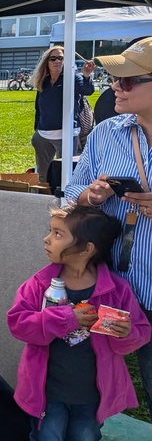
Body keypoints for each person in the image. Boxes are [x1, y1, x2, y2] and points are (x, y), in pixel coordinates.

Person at [8, 204, 149, 441]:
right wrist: (65, 318)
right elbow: (19, 324)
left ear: (86, 248)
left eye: (58, 234)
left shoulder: (115, 290)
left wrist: (126, 331)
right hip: (48, 395)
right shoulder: (39, 285)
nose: (47, 238)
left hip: (92, 397)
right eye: (51, 231)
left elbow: (139, 335)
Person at [65, 37, 152, 415]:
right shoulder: (105, 133)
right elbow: (70, 195)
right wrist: (91, 196)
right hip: (113, 287)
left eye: (128, 80)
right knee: (91, 380)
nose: (115, 86)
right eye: (114, 78)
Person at [30, 46, 95, 185]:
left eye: (61, 58)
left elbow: (87, 90)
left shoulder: (72, 78)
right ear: (46, 62)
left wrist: (87, 75)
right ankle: (43, 194)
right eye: (53, 58)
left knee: (67, 174)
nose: (57, 61)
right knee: (43, 175)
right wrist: (37, 131)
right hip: (43, 135)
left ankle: (66, 199)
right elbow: (39, 107)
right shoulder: (44, 81)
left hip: (66, 134)